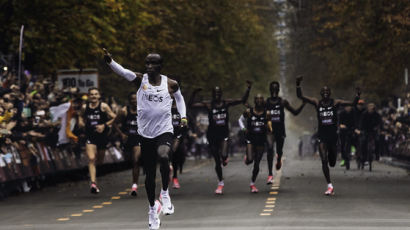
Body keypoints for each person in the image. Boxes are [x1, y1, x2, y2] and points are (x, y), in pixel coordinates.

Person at [104, 49, 187, 230]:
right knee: (149, 175)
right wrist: (111, 62)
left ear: (160, 66)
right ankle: (152, 208)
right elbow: (124, 72)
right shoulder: (140, 80)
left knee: (165, 156)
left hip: (164, 130)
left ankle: (165, 194)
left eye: (153, 63)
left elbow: (180, 100)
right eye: (147, 63)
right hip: (145, 133)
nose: (149, 66)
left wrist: (183, 117)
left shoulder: (170, 84)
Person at [296, 76, 360, 196]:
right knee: (324, 160)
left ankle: (332, 159)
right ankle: (329, 185)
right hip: (322, 135)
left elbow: (353, 103)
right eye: (323, 92)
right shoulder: (317, 102)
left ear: (330, 93)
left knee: (332, 162)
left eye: (327, 92)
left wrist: (357, 95)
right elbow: (301, 97)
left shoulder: (336, 102)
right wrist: (298, 85)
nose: (325, 93)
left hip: (333, 135)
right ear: (321, 94)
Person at [190, 82, 252, 194]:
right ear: (213, 94)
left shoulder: (226, 103)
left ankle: (225, 157)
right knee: (217, 162)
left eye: (219, 92)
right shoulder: (208, 104)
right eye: (215, 93)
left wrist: (248, 89)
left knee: (223, 155)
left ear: (221, 94)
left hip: (223, 134)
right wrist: (194, 93)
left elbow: (242, 100)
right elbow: (191, 105)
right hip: (212, 135)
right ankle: (220, 183)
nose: (217, 94)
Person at [265, 81, 305, 184]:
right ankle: (270, 174)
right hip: (269, 131)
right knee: (269, 149)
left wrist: (303, 104)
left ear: (278, 90)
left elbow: (295, 112)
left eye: (276, 88)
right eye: (272, 88)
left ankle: (278, 160)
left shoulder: (283, 102)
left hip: (280, 131)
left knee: (279, 151)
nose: (274, 90)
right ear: (270, 90)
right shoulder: (266, 103)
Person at [82, 87, 116, 194]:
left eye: (96, 94)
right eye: (91, 94)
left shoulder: (104, 106)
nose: (93, 96)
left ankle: (94, 174)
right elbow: (81, 117)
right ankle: (93, 183)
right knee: (91, 158)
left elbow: (115, 117)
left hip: (102, 136)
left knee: (99, 161)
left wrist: (104, 125)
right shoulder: (85, 107)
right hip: (90, 136)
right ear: (88, 96)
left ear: (99, 96)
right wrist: (81, 123)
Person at [238, 94, 272, 193]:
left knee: (257, 164)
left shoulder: (267, 113)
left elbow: (270, 127)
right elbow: (240, 120)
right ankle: (248, 158)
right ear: (254, 101)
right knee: (250, 160)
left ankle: (252, 183)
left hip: (261, 140)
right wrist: (244, 129)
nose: (259, 101)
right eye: (257, 99)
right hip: (250, 139)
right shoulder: (249, 112)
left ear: (263, 101)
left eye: (261, 99)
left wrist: (269, 129)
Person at [113, 92, 141, 196]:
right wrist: (121, 134)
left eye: (136, 99)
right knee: (129, 160)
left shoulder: (143, 110)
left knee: (136, 160)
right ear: (129, 101)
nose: (134, 101)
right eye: (132, 99)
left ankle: (134, 185)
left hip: (139, 138)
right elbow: (115, 123)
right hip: (127, 139)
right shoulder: (124, 111)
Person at [356, 103, 381, 171]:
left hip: (373, 131)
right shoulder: (364, 114)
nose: (370, 108)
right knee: (363, 142)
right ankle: (363, 158)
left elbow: (379, 123)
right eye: (369, 107)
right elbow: (361, 123)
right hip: (365, 131)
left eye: (372, 107)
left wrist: (377, 128)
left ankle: (377, 155)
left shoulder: (377, 115)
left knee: (377, 141)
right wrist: (361, 130)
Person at [170, 101, 187, 189]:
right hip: (167, 135)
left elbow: (190, 104)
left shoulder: (181, 109)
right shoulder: (165, 107)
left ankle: (175, 177)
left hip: (178, 136)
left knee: (177, 154)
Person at [338, 105, 355, 170]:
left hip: (351, 129)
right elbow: (339, 122)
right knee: (342, 145)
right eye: (347, 107)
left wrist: (356, 128)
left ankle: (353, 150)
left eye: (349, 107)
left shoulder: (353, 113)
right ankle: (344, 158)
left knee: (355, 139)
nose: (348, 108)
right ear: (345, 107)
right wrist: (341, 125)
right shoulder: (341, 113)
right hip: (343, 131)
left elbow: (356, 121)